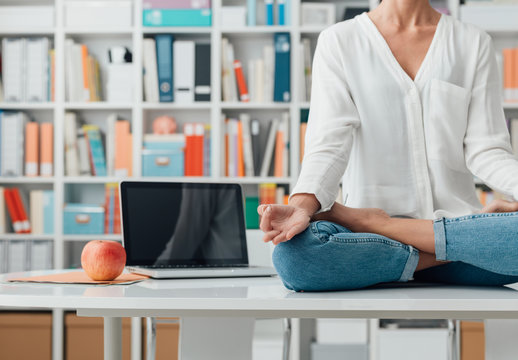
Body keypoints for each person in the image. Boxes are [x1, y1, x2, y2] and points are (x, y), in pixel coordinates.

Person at [258, 0, 518, 292]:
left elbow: (488, 149)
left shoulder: (472, 43)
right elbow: (328, 143)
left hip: (433, 230)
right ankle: (438, 254)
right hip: (418, 248)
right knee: (294, 257)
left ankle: (377, 225)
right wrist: (301, 206)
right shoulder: (340, 41)